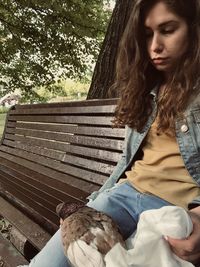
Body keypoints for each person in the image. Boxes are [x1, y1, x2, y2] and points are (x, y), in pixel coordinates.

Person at [19, 0, 200, 266]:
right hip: (124, 195)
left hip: (174, 211)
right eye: (147, 35)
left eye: (168, 30)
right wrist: (88, 205)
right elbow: (127, 163)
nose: (155, 46)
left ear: (193, 29)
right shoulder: (146, 89)